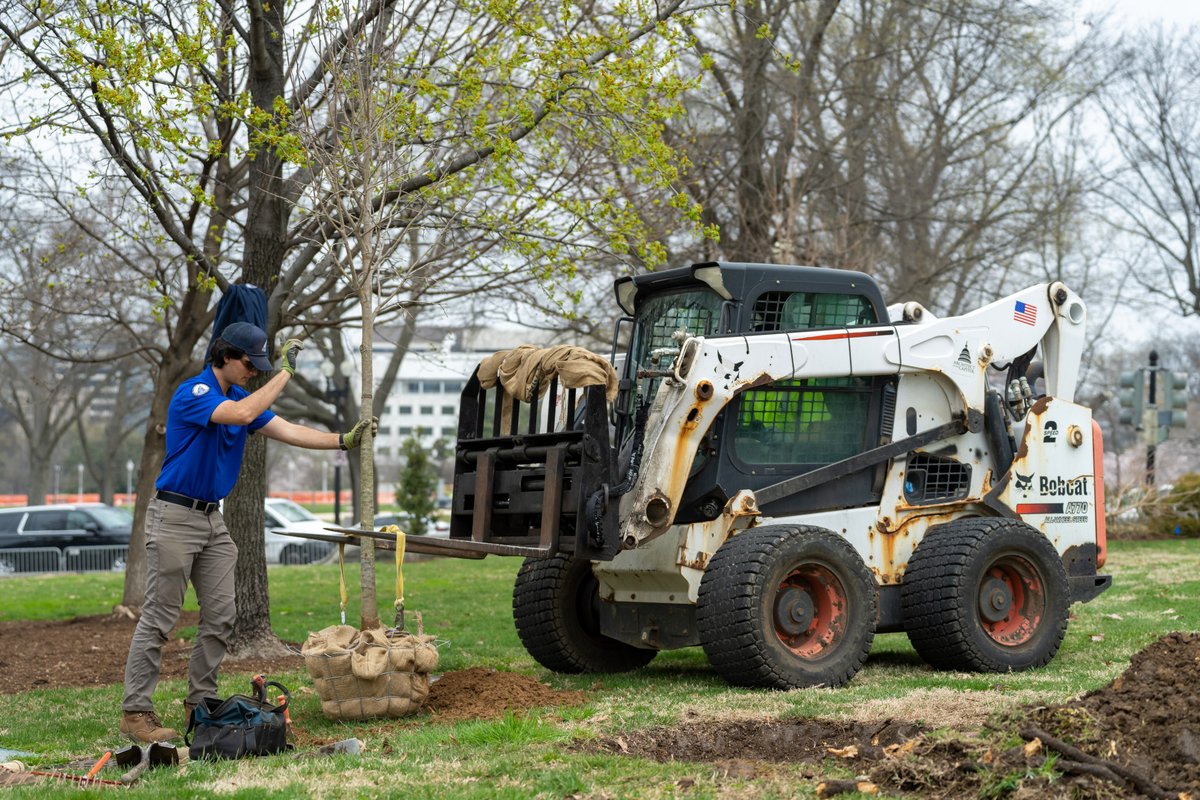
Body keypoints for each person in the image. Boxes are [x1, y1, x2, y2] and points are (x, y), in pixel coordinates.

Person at [119, 322, 377, 744]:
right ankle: (136, 713)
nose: (253, 371)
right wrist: (285, 374)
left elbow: (289, 430)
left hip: (211, 520)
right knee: (160, 618)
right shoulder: (195, 394)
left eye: (260, 366)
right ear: (224, 355)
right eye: (248, 363)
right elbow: (240, 415)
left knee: (221, 616)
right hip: (175, 515)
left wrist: (343, 441)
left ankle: (200, 704)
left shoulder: (243, 397)